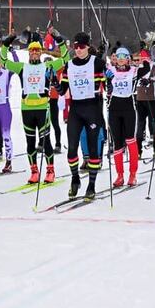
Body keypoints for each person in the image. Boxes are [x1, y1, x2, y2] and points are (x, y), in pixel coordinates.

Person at [0, 34, 68, 186]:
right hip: (27, 109)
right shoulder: (22, 67)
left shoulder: (48, 66)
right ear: (29, 52)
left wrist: (60, 42)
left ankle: (50, 171)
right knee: (30, 142)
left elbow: (65, 59)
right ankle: (34, 171)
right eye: (32, 50)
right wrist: (5, 45)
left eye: (38, 50)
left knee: (45, 141)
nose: (35, 52)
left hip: (43, 108)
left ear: (41, 52)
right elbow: (3, 62)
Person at [59, 32, 107, 199]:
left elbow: (108, 82)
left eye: (81, 47)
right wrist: (53, 84)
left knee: (93, 149)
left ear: (88, 47)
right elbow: (62, 90)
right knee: (72, 148)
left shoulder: (98, 63)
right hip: (76, 109)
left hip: (93, 108)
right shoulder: (69, 65)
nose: (78, 50)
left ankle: (91, 186)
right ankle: (75, 179)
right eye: (75, 46)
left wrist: (109, 82)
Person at [105, 47, 149, 187]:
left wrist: (143, 57)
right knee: (117, 142)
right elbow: (101, 77)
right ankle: (119, 175)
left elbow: (146, 68)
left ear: (128, 58)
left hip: (129, 108)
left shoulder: (134, 71)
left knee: (130, 140)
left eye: (124, 56)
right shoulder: (110, 70)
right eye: (118, 56)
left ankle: (132, 174)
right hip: (114, 109)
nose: (121, 58)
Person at [134, 48, 155, 157]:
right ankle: (138, 150)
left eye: (144, 57)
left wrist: (149, 80)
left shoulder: (154, 65)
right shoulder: (137, 66)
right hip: (140, 98)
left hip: (153, 98)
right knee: (140, 123)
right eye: (141, 58)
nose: (142, 60)